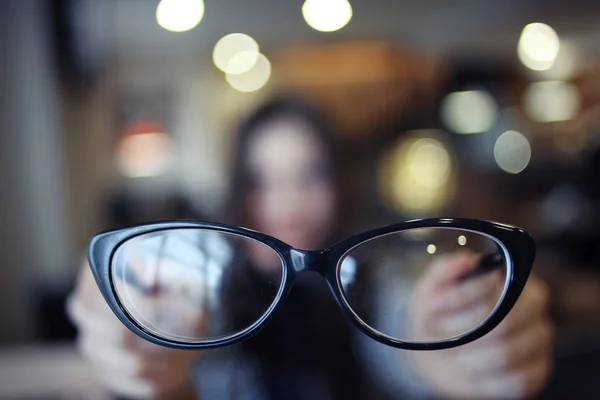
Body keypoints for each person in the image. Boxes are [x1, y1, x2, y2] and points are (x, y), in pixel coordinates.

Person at [68, 97, 553, 399]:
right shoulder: (204, 285)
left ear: (339, 184)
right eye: (262, 180)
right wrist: (150, 357)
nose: (288, 204)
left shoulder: (375, 275)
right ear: (238, 191)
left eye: (310, 175)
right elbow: (178, 348)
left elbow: (403, 320)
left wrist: (446, 347)